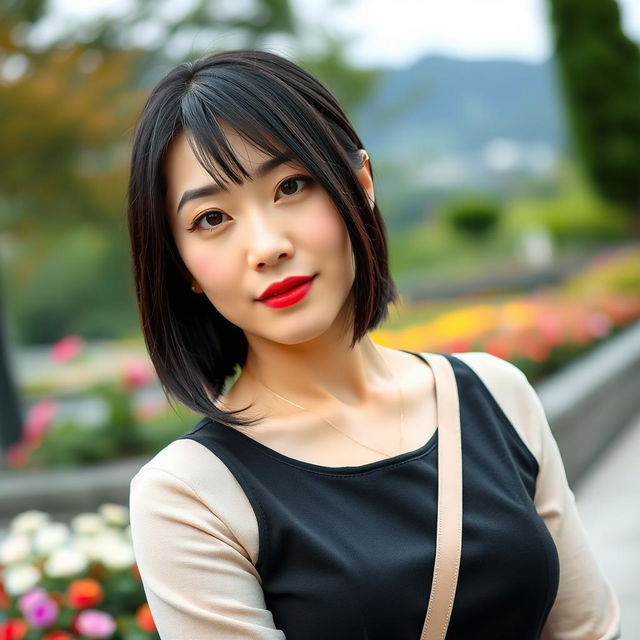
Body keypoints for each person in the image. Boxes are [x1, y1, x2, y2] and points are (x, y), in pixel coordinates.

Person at [127, 49, 621, 639]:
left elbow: (586, 629)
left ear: (359, 181)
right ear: (182, 265)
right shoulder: (189, 496)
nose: (266, 245)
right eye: (211, 219)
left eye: (290, 185)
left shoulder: (494, 395)